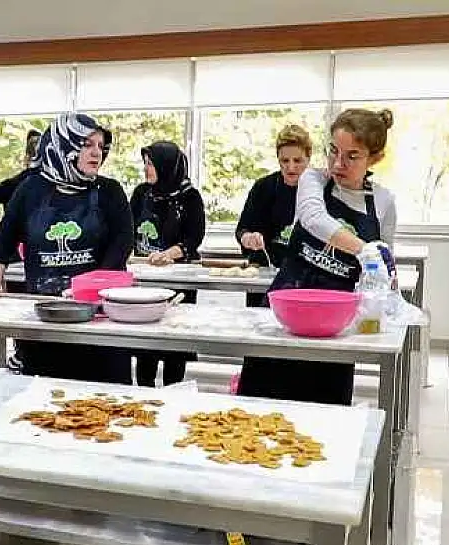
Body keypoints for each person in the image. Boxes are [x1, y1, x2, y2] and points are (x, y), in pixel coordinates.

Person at [238, 109, 398, 406]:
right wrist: (364, 248)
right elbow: (314, 218)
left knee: (323, 413)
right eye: (334, 151)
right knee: (260, 406)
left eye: (352, 156)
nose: (338, 163)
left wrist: (383, 284)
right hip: (286, 308)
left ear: (374, 158)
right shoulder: (312, 179)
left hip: (336, 324)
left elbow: (383, 262)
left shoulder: (383, 202)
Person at [0, 113, 133, 384]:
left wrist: (87, 292)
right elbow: (4, 239)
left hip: (97, 322)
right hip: (44, 319)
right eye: (86, 144)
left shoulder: (110, 192)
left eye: (100, 145)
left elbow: (120, 248)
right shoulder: (31, 190)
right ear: (64, 146)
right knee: (43, 407)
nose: (96, 152)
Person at [129, 141, 205, 387]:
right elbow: (128, 229)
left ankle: (174, 395)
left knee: (174, 347)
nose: (146, 169)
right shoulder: (141, 193)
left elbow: (194, 237)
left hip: (179, 279)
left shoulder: (190, 197)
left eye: (151, 164)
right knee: (145, 345)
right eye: (145, 164)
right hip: (145, 279)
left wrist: (169, 254)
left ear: (167, 166)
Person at [235, 124, 313, 307]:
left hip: (305, 277)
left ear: (309, 158)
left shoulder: (319, 190)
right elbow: (242, 230)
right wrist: (247, 238)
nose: (291, 167)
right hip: (263, 272)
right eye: (285, 161)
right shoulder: (264, 187)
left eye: (298, 160)